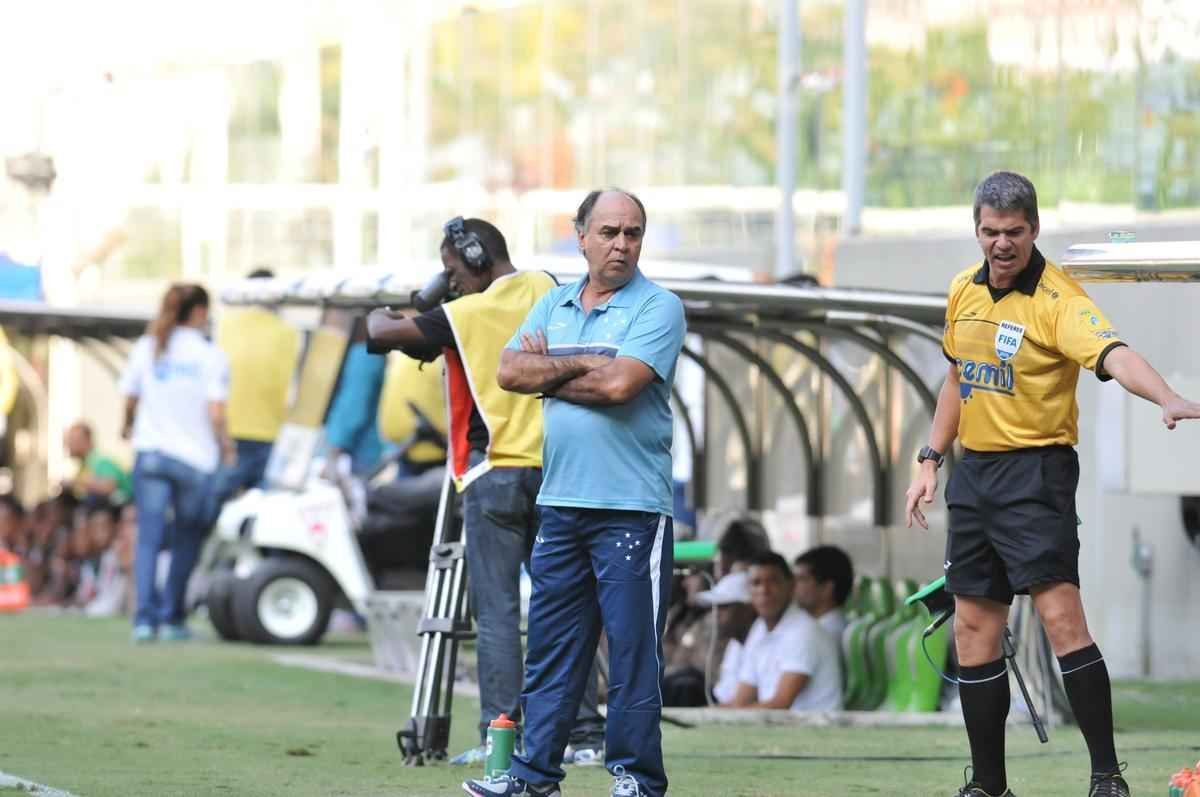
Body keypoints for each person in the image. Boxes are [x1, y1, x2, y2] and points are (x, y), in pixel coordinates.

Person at [904, 171, 1200, 797]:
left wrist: (1166, 396)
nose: (1001, 244)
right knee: (972, 627)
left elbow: (1115, 354)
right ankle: (989, 785)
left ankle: (1106, 777)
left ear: (1034, 230)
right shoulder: (964, 290)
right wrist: (931, 457)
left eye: (1013, 232)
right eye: (990, 232)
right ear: (976, 230)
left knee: (1062, 618)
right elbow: (958, 381)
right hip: (976, 475)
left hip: (1036, 473)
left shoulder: (1059, 300)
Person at [464, 189, 687, 797]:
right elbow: (509, 373)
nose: (622, 244)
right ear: (581, 234)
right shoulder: (554, 301)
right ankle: (534, 776)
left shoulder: (659, 308)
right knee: (553, 650)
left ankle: (636, 778)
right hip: (560, 504)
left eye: (634, 233)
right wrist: (588, 360)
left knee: (632, 653)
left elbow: (619, 387)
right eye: (610, 231)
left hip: (633, 510)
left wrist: (553, 372)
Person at [366, 218, 605, 766]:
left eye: (452, 269)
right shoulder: (547, 287)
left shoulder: (462, 314)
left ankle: (503, 736)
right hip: (557, 472)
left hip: (493, 471)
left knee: (496, 613)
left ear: (473, 256)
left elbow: (378, 335)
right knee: (568, 605)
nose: (451, 281)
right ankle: (586, 736)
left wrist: (416, 300)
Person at [120, 283, 231, 643]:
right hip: (194, 460)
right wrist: (226, 448)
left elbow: (131, 398)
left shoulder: (147, 347)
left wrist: (127, 426)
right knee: (187, 540)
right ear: (199, 312)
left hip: (151, 453)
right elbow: (216, 413)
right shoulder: (210, 355)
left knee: (148, 540)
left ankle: (143, 619)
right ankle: (171, 617)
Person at [214, 267, 300, 499]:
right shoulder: (289, 333)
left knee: (217, 503)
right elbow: (294, 389)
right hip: (270, 433)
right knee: (262, 508)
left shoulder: (224, 326)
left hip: (227, 432)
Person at [722, 551, 842, 713]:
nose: (764, 590)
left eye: (773, 582)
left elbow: (780, 704)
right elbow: (741, 700)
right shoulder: (759, 628)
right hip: (779, 729)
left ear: (791, 586)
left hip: (813, 733)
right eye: (756, 583)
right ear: (749, 591)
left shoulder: (804, 632)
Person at [792, 545, 855, 640]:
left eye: (801, 579)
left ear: (827, 589)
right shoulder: (816, 628)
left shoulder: (824, 635)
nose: (792, 585)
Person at [63, 421, 132, 507]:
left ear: (85, 440)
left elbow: (109, 487)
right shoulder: (84, 464)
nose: (67, 445)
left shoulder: (100, 460)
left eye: (72, 440)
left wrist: (78, 482)